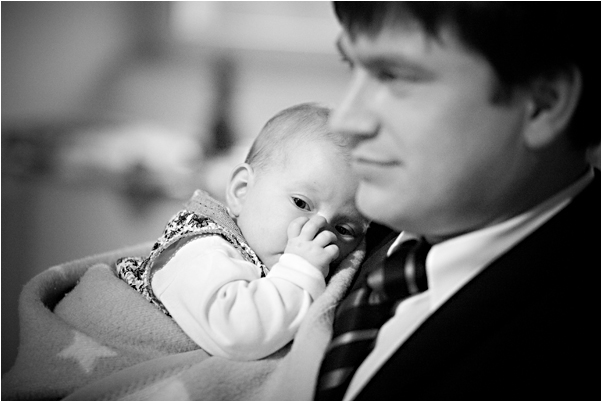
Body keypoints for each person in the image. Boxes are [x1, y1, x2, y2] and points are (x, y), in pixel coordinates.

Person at [313, 2, 600, 400]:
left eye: (394, 75)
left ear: (543, 103)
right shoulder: (367, 217)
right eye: (351, 66)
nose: (344, 120)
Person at [117, 102, 369, 361]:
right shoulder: (202, 249)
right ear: (241, 190)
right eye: (301, 203)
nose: (319, 233)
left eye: (344, 228)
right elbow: (238, 333)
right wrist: (300, 272)